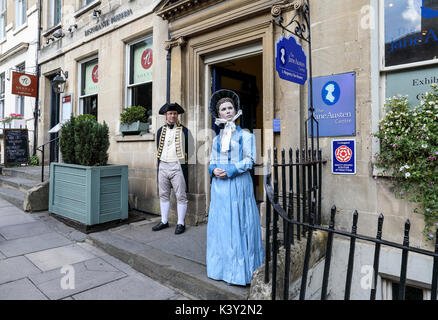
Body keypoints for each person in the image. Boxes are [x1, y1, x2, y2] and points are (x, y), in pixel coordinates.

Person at [206, 89, 264, 286]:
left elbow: (250, 161)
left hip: (239, 186)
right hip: (220, 190)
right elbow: (211, 161)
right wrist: (213, 170)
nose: (228, 111)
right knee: (222, 227)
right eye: (224, 109)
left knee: (240, 225)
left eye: (230, 108)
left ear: (236, 110)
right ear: (218, 113)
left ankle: (240, 273)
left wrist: (230, 170)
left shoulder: (246, 136)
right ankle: (221, 269)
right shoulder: (215, 139)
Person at [153, 102, 191, 235]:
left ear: (177, 115)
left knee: (181, 195)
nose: (173, 116)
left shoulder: (185, 131)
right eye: (170, 113)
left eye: (175, 113)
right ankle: (164, 221)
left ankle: (181, 222)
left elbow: (190, 151)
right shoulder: (160, 131)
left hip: (177, 166)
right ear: (166, 115)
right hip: (163, 165)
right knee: (163, 194)